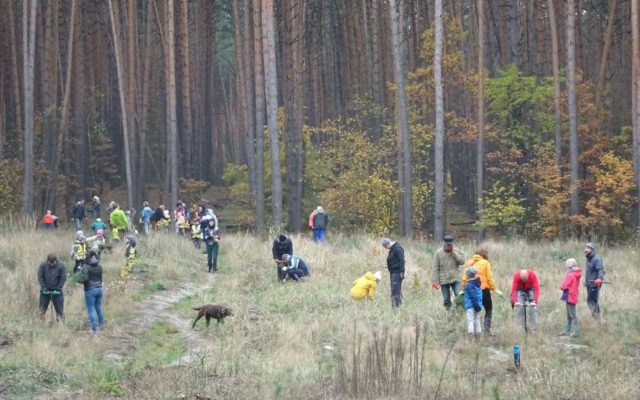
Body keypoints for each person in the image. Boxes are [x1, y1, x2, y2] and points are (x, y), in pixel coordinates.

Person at [461, 249, 500, 334]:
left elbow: (464, 277)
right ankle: (486, 331)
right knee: (488, 309)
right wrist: (493, 288)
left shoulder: (469, 263)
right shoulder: (486, 263)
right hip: (483, 289)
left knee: (472, 311)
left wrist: (464, 288)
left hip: (470, 288)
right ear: (484, 255)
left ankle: (472, 333)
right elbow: (489, 278)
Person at [431, 235, 465, 309]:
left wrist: (454, 253)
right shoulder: (438, 253)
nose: (449, 246)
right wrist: (435, 281)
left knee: (459, 296)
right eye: (448, 244)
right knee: (446, 299)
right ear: (444, 244)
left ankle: (461, 312)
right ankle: (448, 313)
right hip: (444, 280)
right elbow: (435, 268)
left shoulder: (457, 250)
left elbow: (462, 262)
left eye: (450, 244)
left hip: (456, 278)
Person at [38, 254, 67, 321]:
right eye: (49, 263)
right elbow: (40, 277)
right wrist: (44, 288)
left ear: (56, 261)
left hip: (57, 291)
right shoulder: (43, 265)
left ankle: (60, 325)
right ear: (47, 261)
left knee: (60, 310)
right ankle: (40, 324)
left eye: (53, 263)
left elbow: (63, 278)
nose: (51, 265)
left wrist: (58, 289)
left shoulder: (61, 266)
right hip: (45, 291)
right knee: (41, 309)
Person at [81, 250, 104, 333]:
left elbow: (85, 279)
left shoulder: (86, 266)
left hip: (90, 290)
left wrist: (80, 280)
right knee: (98, 307)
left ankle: (93, 328)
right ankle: (101, 324)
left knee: (91, 309)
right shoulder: (99, 266)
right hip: (100, 289)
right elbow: (101, 278)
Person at [560, 258, 582, 336]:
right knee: (571, 314)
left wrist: (561, 286)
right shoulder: (576, 274)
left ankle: (574, 331)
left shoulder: (570, 275)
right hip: (573, 295)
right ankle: (567, 330)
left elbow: (563, 286)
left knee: (571, 314)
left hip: (569, 296)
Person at [584, 242, 605, 321]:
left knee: (591, 301)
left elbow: (601, 270)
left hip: (595, 284)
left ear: (592, 250)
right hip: (589, 283)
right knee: (593, 302)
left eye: (588, 248)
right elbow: (589, 272)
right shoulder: (588, 258)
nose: (586, 249)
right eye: (585, 248)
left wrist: (599, 278)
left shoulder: (597, 259)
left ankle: (597, 320)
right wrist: (585, 281)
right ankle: (597, 320)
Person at [381, 238, 404, 308]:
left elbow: (402, 261)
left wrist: (402, 272)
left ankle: (396, 307)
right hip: (393, 273)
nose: (386, 249)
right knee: (395, 290)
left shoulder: (397, 249)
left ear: (387, 244)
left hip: (397, 273)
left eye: (385, 247)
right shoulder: (392, 249)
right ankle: (398, 306)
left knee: (395, 291)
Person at [464, 267, 483, 339]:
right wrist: (478, 306)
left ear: (468, 276)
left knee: (470, 321)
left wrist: (476, 306)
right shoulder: (478, 282)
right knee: (477, 320)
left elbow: (473, 297)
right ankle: (478, 338)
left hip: (471, 306)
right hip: (478, 304)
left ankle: (470, 339)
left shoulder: (469, 285)